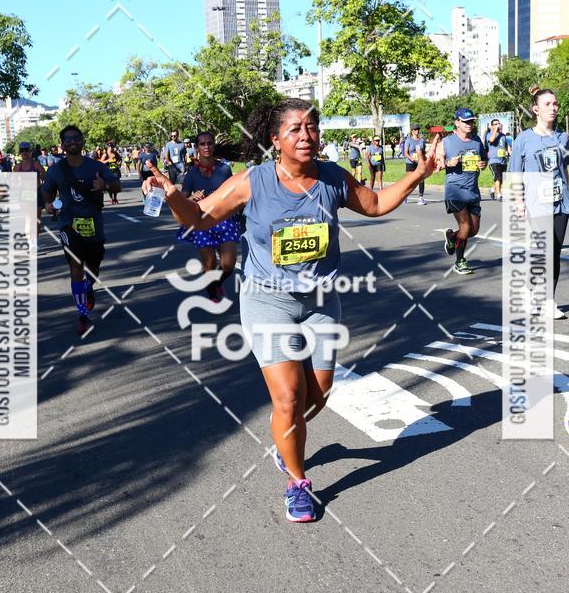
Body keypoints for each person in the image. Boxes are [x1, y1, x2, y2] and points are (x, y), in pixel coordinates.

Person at [143, 99, 435, 522]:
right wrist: (174, 198)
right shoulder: (253, 182)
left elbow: (373, 204)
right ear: (275, 139)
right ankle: (297, 483)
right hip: (267, 300)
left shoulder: (332, 178)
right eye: (295, 129)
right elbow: (200, 219)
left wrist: (415, 175)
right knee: (288, 397)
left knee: (316, 397)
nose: (306, 135)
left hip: (320, 303)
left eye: (312, 127)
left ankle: (285, 442)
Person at [42, 125, 121, 335]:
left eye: (76, 138)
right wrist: (48, 205)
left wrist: (104, 184)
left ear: (82, 141)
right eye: (67, 139)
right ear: (63, 144)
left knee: (93, 268)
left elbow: (117, 186)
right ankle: (83, 315)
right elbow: (47, 193)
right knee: (76, 267)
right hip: (68, 225)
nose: (72, 141)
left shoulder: (95, 166)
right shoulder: (56, 170)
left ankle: (88, 288)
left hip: (94, 223)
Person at [508, 87, 569, 319]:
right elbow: (516, 173)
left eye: (555, 104)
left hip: (562, 203)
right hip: (536, 204)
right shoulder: (523, 139)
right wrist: (518, 201)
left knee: (553, 252)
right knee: (547, 251)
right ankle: (547, 301)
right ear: (535, 109)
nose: (553, 108)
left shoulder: (563, 138)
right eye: (547, 104)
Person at [173, 131, 241, 302]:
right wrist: (192, 198)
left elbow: (234, 193)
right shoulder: (191, 173)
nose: (206, 147)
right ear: (197, 148)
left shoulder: (225, 169)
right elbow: (182, 199)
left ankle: (216, 282)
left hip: (224, 219)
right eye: (202, 144)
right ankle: (211, 291)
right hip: (201, 220)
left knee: (228, 264)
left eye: (209, 143)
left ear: (213, 146)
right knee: (209, 263)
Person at [438, 108, 487, 276]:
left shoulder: (476, 140)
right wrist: (448, 162)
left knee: (473, 230)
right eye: (466, 122)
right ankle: (460, 261)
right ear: (457, 123)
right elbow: (436, 165)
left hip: (472, 190)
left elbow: (484, 160)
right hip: (455, 191)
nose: (469, 124)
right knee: (465, 226)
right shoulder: (447, 142)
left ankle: (452, 238)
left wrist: (483, 164)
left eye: (471, 121)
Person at [14, 142, 46, 246]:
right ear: (20, 152)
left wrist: (40, 176)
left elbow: (44, 177)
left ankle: (35, 241)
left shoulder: (36, 164)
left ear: (30, 151)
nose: (24, 152)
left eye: (26, 150)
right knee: (28, 219)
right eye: (22, 150)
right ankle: (30, 244)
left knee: (37, 220)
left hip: (36, 192)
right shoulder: (17, 167)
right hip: (24, 194)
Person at [483, 119, 509, 201]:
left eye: (498, 123)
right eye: (495, 124)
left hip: (503, 160)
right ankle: (499, 194)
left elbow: (506, 146)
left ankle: (492, 189)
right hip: (494, 160)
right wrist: (495, 131)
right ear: (492, 126)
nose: (497, 125)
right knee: (497, 177)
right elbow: (491, 140)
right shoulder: (489, 134)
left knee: (502, 178)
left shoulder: (503, 135)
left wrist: (511, 154)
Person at [404, 124, 427, 204]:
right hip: (410, 162)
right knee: (410, 180)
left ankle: (421, 198)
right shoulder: (408, 140)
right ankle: (406, 195)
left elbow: (424, 152)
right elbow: (405, 153)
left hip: (419, 162)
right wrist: (412, 159)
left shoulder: (421, 140)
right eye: (415, 129)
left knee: (421, 179)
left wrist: (424, 159)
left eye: (418, 129)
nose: (417, 131)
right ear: (412, 131)